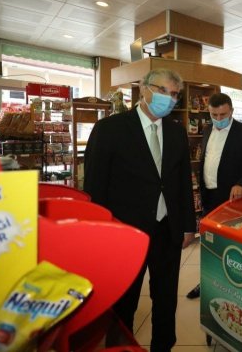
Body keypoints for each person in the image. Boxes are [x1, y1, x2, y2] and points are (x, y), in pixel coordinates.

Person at [84, 68, 196, 351]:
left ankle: (163, 345)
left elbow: (183, 182)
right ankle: (121, 346)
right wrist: (100, 232)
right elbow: (95, 185)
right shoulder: (110, 129)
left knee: (166, 297)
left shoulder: (176, 132)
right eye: (163, 90)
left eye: (174, 94)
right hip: (125, 232)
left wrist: (188, 225)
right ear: (144, 89)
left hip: (167, 229)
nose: (169, 98)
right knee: (125, 299)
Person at [186, 92, 242, 299]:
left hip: (232, 200)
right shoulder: (207, 129)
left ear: (231, 111)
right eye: (214, 115)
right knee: (209, 243)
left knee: (231, 245)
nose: (218, 119)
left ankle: (231, 285)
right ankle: (207, 281)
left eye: (223, 115)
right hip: (208, 196)